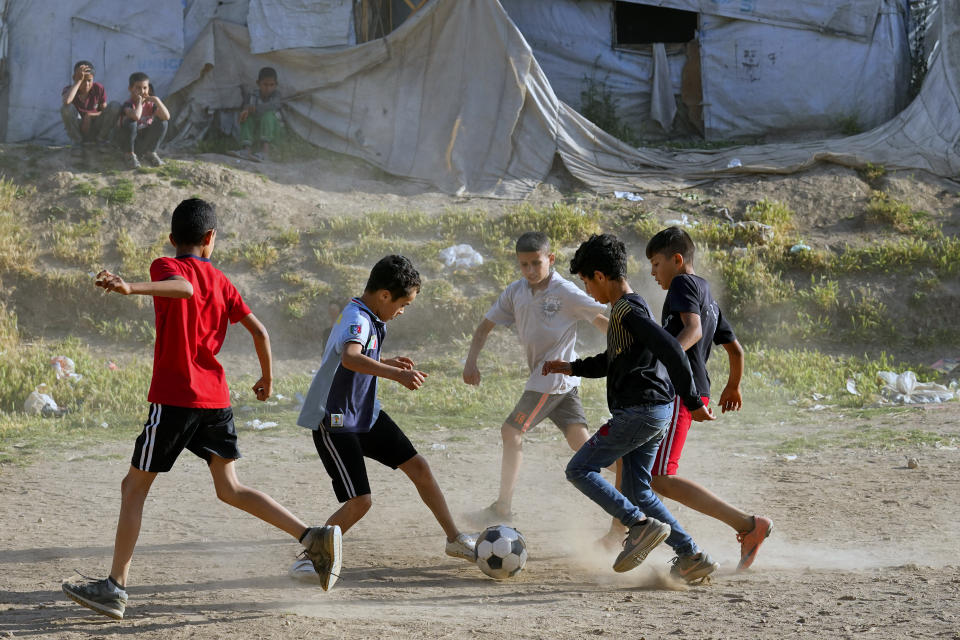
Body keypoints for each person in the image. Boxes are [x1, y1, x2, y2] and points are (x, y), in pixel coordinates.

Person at [61, 198, 340, 620]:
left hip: (176, 399)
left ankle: (116, 587)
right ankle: (312, 536)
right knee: (230, 489)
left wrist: (131, 287)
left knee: (133, 487)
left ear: (173, 240)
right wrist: (267, 377)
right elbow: (260, 331)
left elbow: (185, 288)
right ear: (211, 238)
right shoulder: (223, 281)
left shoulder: (166, 266)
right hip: (216, 400)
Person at [542, 233, 718, 582]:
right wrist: (573, 367)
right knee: (639, 490)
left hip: (640, 412)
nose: (589, 291)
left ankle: (638, 526)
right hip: (654, 412)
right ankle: (691, 555)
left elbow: (671, 349)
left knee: (579, 469)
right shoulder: (631, 307)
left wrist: (694, 399)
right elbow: (615, 359)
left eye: (587, 283)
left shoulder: (627, 309)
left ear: (601, 276)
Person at [295, 255, 475, 580]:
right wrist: (395, 374)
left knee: (418, 467)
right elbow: (350, 357)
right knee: (360, 501)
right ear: (384, 296)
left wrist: (384, 359)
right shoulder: (357, 318)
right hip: (336, 420)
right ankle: (310, 557)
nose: (402, 311)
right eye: (403, 304)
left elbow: (353, 354)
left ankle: (455, 539)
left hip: (364, 412)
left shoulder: (367, 315)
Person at [462, 231, 613, 527]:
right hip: (559, 382)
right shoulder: (515, 292)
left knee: (510, 431)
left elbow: (599, 319)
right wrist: (471, 362)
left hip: (550, 377)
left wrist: (632, 347)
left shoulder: (565, 291)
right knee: (582, 445)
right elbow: (484, 328)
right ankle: (629, 474)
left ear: (551, 259)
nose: (530, 271)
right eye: (524, 265)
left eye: (536, 263)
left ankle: (502, 508)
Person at [646, 226, 772, 572]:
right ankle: (619, 531)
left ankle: (747, 525)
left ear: (676, 260)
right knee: (634, 461)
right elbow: (735, 349)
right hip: (681, 388)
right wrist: (734, 386)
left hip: (677, 389)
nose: (653, 273)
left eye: (656, 264)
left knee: (660, 477)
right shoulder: (707, 295)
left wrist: (660, 360)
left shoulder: (684, 285)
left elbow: (694, 331)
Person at [115, 71, 170, 169]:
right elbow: (136, 116)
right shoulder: (128, 104)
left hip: (142, 142)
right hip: (128, 142)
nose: (142, 91)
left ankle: (150, 152)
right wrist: (140, 101)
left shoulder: (150, 105)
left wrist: (157, 100)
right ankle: (129, 156)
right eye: (138, 88)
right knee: (131, 122)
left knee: (163, 123)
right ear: (130, 89)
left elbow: (167, 117)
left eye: (145, 88)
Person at [60, 60, 119, 149]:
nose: (87, 84)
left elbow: (105, 111)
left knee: (115, 106)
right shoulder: (69, 90)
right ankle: (77, 143)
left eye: (89, 80)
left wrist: (90, 115)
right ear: (74, 78)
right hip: (79, 128)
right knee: (66, 109)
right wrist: (78, 81)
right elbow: (66, 102)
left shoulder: (98, 88)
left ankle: (101, 140)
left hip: (95, 127)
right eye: (83, 80)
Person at [237, 67, 282, 162]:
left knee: (268, 115)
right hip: (258, 132)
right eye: (265, 84)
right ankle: (246, 150)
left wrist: (256, 108)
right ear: (258, 83)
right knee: (247, 116)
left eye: (271, 85)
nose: (268, 88)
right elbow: (246, 106)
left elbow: (273, 105)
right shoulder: (253, 96)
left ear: (276, 85)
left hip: (275, 133)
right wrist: (246, 110)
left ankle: (265, 152)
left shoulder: (276, 95)